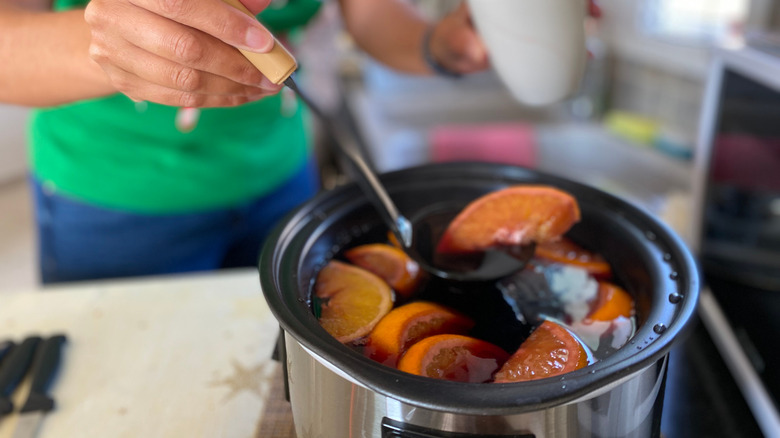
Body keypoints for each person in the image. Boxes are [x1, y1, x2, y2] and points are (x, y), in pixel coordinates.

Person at [0, 0, 490, 283]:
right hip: (113, 201)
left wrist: (437, 46)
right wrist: (111, 48)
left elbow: (370, 13)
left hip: (281, 181)